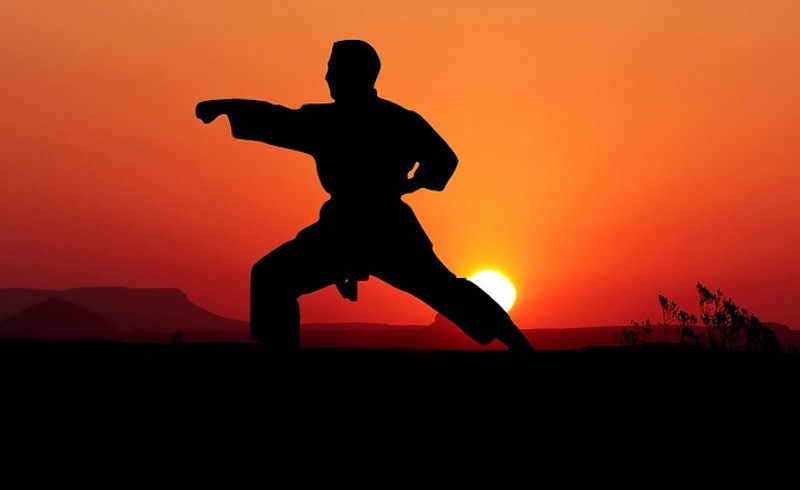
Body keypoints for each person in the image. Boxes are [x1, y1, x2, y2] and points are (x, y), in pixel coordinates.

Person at [196, 40, 533, 353]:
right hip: (347, 228)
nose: (327, 76)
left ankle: (518, 345)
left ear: (351, 74)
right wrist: (227, 107)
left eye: (332, 68)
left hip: (382, 229)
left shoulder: (359, 121)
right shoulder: (373, 120)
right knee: (272, 277)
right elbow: (279, 120)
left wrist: (414, 183)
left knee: (444, 290)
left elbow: (444, 160)